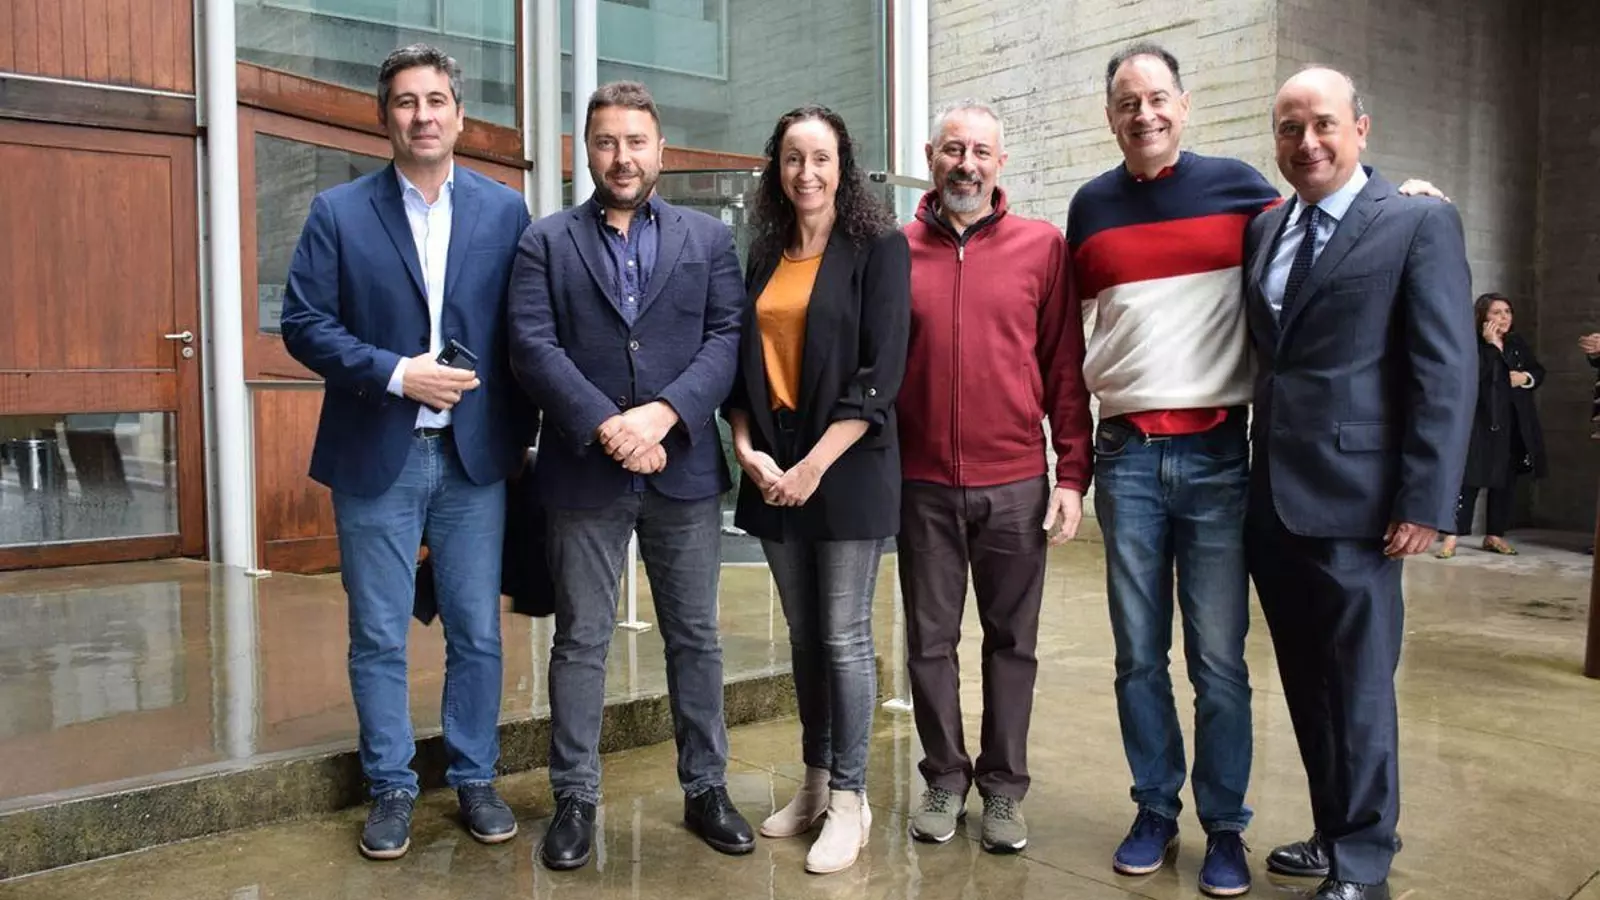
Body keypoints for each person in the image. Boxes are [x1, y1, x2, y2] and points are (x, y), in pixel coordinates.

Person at [1069, 43, 1441, 896]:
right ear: (1110, 116)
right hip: (1126, 457)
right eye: (1127, 102)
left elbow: (1338, 225)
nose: (1144, 114)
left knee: (1219, 660)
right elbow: (1067, 335)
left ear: (1184, 104)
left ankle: (1225, 826)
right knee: (1136, 656)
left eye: (1157, 98)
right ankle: (1154, 809)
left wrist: (1403, 198)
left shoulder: (1244, 192)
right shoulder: (1090, 207)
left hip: (1218, 456)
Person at [279, 44, 532, 860]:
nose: (422, 115)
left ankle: (475, 776)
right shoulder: (338, 212)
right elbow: (303, 324)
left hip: (473, 460)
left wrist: (531, 436)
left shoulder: (506, 212)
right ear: (384, 115)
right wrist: (396, 374)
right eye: (405, 102)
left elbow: (525, 330)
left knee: (477, 631)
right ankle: (390, 787)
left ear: (459, 114)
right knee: (380, 634)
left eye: (435, 100)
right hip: (375, 452)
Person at [506, 81, 752, 872]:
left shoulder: (707, 239)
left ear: (660, 151)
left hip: (683, 469)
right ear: (587, 150)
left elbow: (726, 338)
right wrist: (609, 425)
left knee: (696, 637)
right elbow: (532, 345)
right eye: (607, 142)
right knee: (581, 641)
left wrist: (663, 416)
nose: (622, 157)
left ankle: (706, 787)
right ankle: (575, 798)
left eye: (636, 142)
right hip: (584, 470)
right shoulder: (545, 242)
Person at [1244, 66, 1476, 900]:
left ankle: (1364, 864)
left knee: (1359, 689)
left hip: (1363, 506)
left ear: (1361, 129)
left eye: (1323, 124)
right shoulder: (1266, 229)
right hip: (1275, 503)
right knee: (1308, 684)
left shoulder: (1417, 221)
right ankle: (1333, 831)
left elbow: (1445, 372)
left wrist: (1426, 500)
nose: (1306, 142)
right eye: (1289, 128)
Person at [897, 101, 1093, 855]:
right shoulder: (895, 252)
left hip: (1014, 484)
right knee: (929, 643)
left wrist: (1071, 473)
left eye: (981, 151)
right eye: (954, 149)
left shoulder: (1042, 248)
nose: (967, 164)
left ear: (1001, 162)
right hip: (921, 485)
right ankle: (945, 777)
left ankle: (1004, 788)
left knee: (1014, 643)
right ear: (931, 157)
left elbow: (1064, 369)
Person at [723, 105, 910, 874]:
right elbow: (740, 371)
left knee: (842, 636)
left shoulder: (879, 248)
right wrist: (747, 452)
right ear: (777, 168)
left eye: (821, 158)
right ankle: (816, 782)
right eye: (793, 158)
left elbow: (881, 374)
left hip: (847, 466)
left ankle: (852, 801)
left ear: (843, 166)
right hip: (774, 469)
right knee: (803, 639)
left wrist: (814, 466)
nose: (807, 173)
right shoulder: (766, 251)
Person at [1437, 293, 1547, 558]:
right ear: (1482, 317)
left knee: (1505, 479)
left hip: (1511, 421)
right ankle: (1451, 536)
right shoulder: (1471, 343)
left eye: (1507, 312)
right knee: (1469, 478)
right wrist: (1491, 347)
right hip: (1480, 420)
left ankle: (1495, 535)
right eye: (1496, 312)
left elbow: (1537, 370)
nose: (1504, 317)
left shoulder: (1516, 343)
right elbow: (1477, 376)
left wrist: (1526, 378)